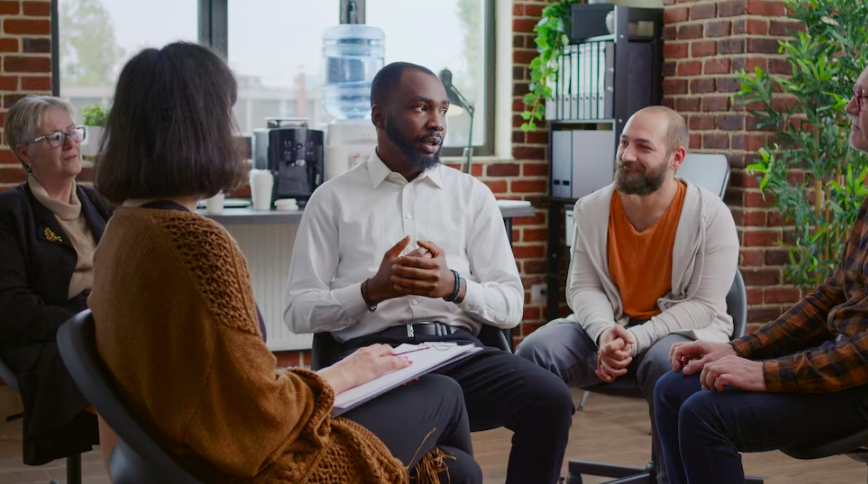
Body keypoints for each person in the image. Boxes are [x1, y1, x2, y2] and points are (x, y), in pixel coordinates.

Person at [88, 42, 480, 484]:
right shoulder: (196, 244)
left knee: (456, 471)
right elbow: (263, 411)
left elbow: (229, 380)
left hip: (182, 454)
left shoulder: (121, 231)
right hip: (255, 466)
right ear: (201, 128)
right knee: (443, 393)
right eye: (226, 114)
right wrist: (346, 372)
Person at [284, 61, 574, 484]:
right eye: (421, 108)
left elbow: (511, 306)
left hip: (456, 353)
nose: (436, 122)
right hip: (375, 362)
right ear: (379, 115)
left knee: (551, 399)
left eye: (442, 110)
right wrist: (370, 291)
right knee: (457, 470)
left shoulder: (472, 196)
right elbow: (298, 311)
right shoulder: (332, 200)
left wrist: (455, 287)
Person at [654, 64, 868, 484]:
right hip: (841, 360)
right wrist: (741, 350)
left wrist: (764, 373)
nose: (848, 107)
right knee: (673, 389)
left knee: (704, 414)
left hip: (859, 382)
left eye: (862, 98)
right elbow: (830, 296)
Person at [516, 106, 739, 483]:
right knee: (534, 352)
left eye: (643, 147)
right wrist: (605, 332)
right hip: (609, 332)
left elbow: (702, 306)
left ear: (676, 158)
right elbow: (583, 286)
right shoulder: (592, 208)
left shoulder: (710, 216)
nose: (627, 156)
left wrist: (633, 339)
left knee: (666, 363)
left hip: (680, 335)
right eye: (623, 143)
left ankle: (671, 478)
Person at [0, 95, 110, 465]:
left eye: (73, 132)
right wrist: (87, 325)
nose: (71, 142)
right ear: (25, 153)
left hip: (107, 326)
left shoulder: (98, 204)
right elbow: (11, 305)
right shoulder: (10, 213)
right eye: (55, 137)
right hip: (49, 337)